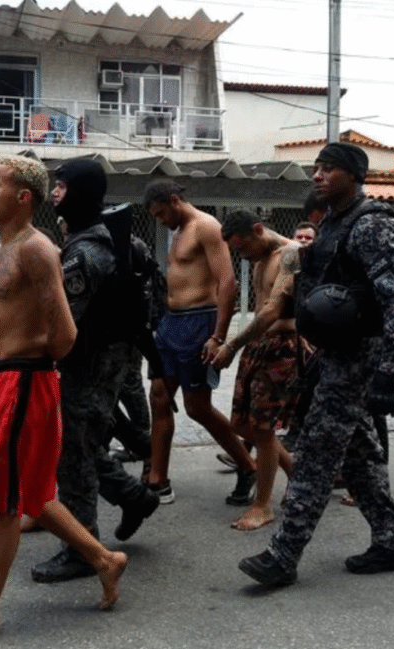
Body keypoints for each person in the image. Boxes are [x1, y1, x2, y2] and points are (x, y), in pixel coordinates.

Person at [0, 155, 126, 648]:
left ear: (23, 198)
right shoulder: (2, 250)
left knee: (4, 506)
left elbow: (65, 333)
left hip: (24, 386)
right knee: (34, 495)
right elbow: (1, 319)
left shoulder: (38, 250)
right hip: (1, 380)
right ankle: (104, 559)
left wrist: (28, 365)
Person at [238, 143, 394, 586]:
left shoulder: (372, 225)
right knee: (358, 455)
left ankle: (283, 556)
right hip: (336, 355)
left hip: (361, 356)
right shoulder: (334, 223)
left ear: (354, 176)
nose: (318, 175)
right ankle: (392, 542)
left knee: (317, 454)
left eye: (329, 169)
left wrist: (388, 374)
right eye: (316, 168)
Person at [31, 159, 159, 584]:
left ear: (80, 192)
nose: (54, 194)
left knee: (73, 455)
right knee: (81, 445)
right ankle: (133, 496)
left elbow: (61, 320)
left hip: (89, 364)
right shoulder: (104, 238)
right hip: (101, 361)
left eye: (62, 186)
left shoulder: (87, 251)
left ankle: (82, 550)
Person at [142, 180, 255, 505]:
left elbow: (227, 281)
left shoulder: (206, 226)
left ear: (175, 200)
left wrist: (218, 336)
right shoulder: (177, 231)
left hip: (198, 323)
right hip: (170, 324)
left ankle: (248, 466)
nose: (160, 220)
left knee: (197, 407)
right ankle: (157, 480)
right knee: (159, 396)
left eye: (162, 213)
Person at [213, 210, 302, 531]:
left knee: (263, 428)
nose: (242, 255)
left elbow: (272, 309)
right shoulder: (258, 258)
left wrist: (231, 345)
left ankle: (262, 505)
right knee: (244, 424)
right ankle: (296, 473)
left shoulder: (292, 255)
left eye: (242, 247)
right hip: (257, 346)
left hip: (280, 347)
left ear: (258, 229)